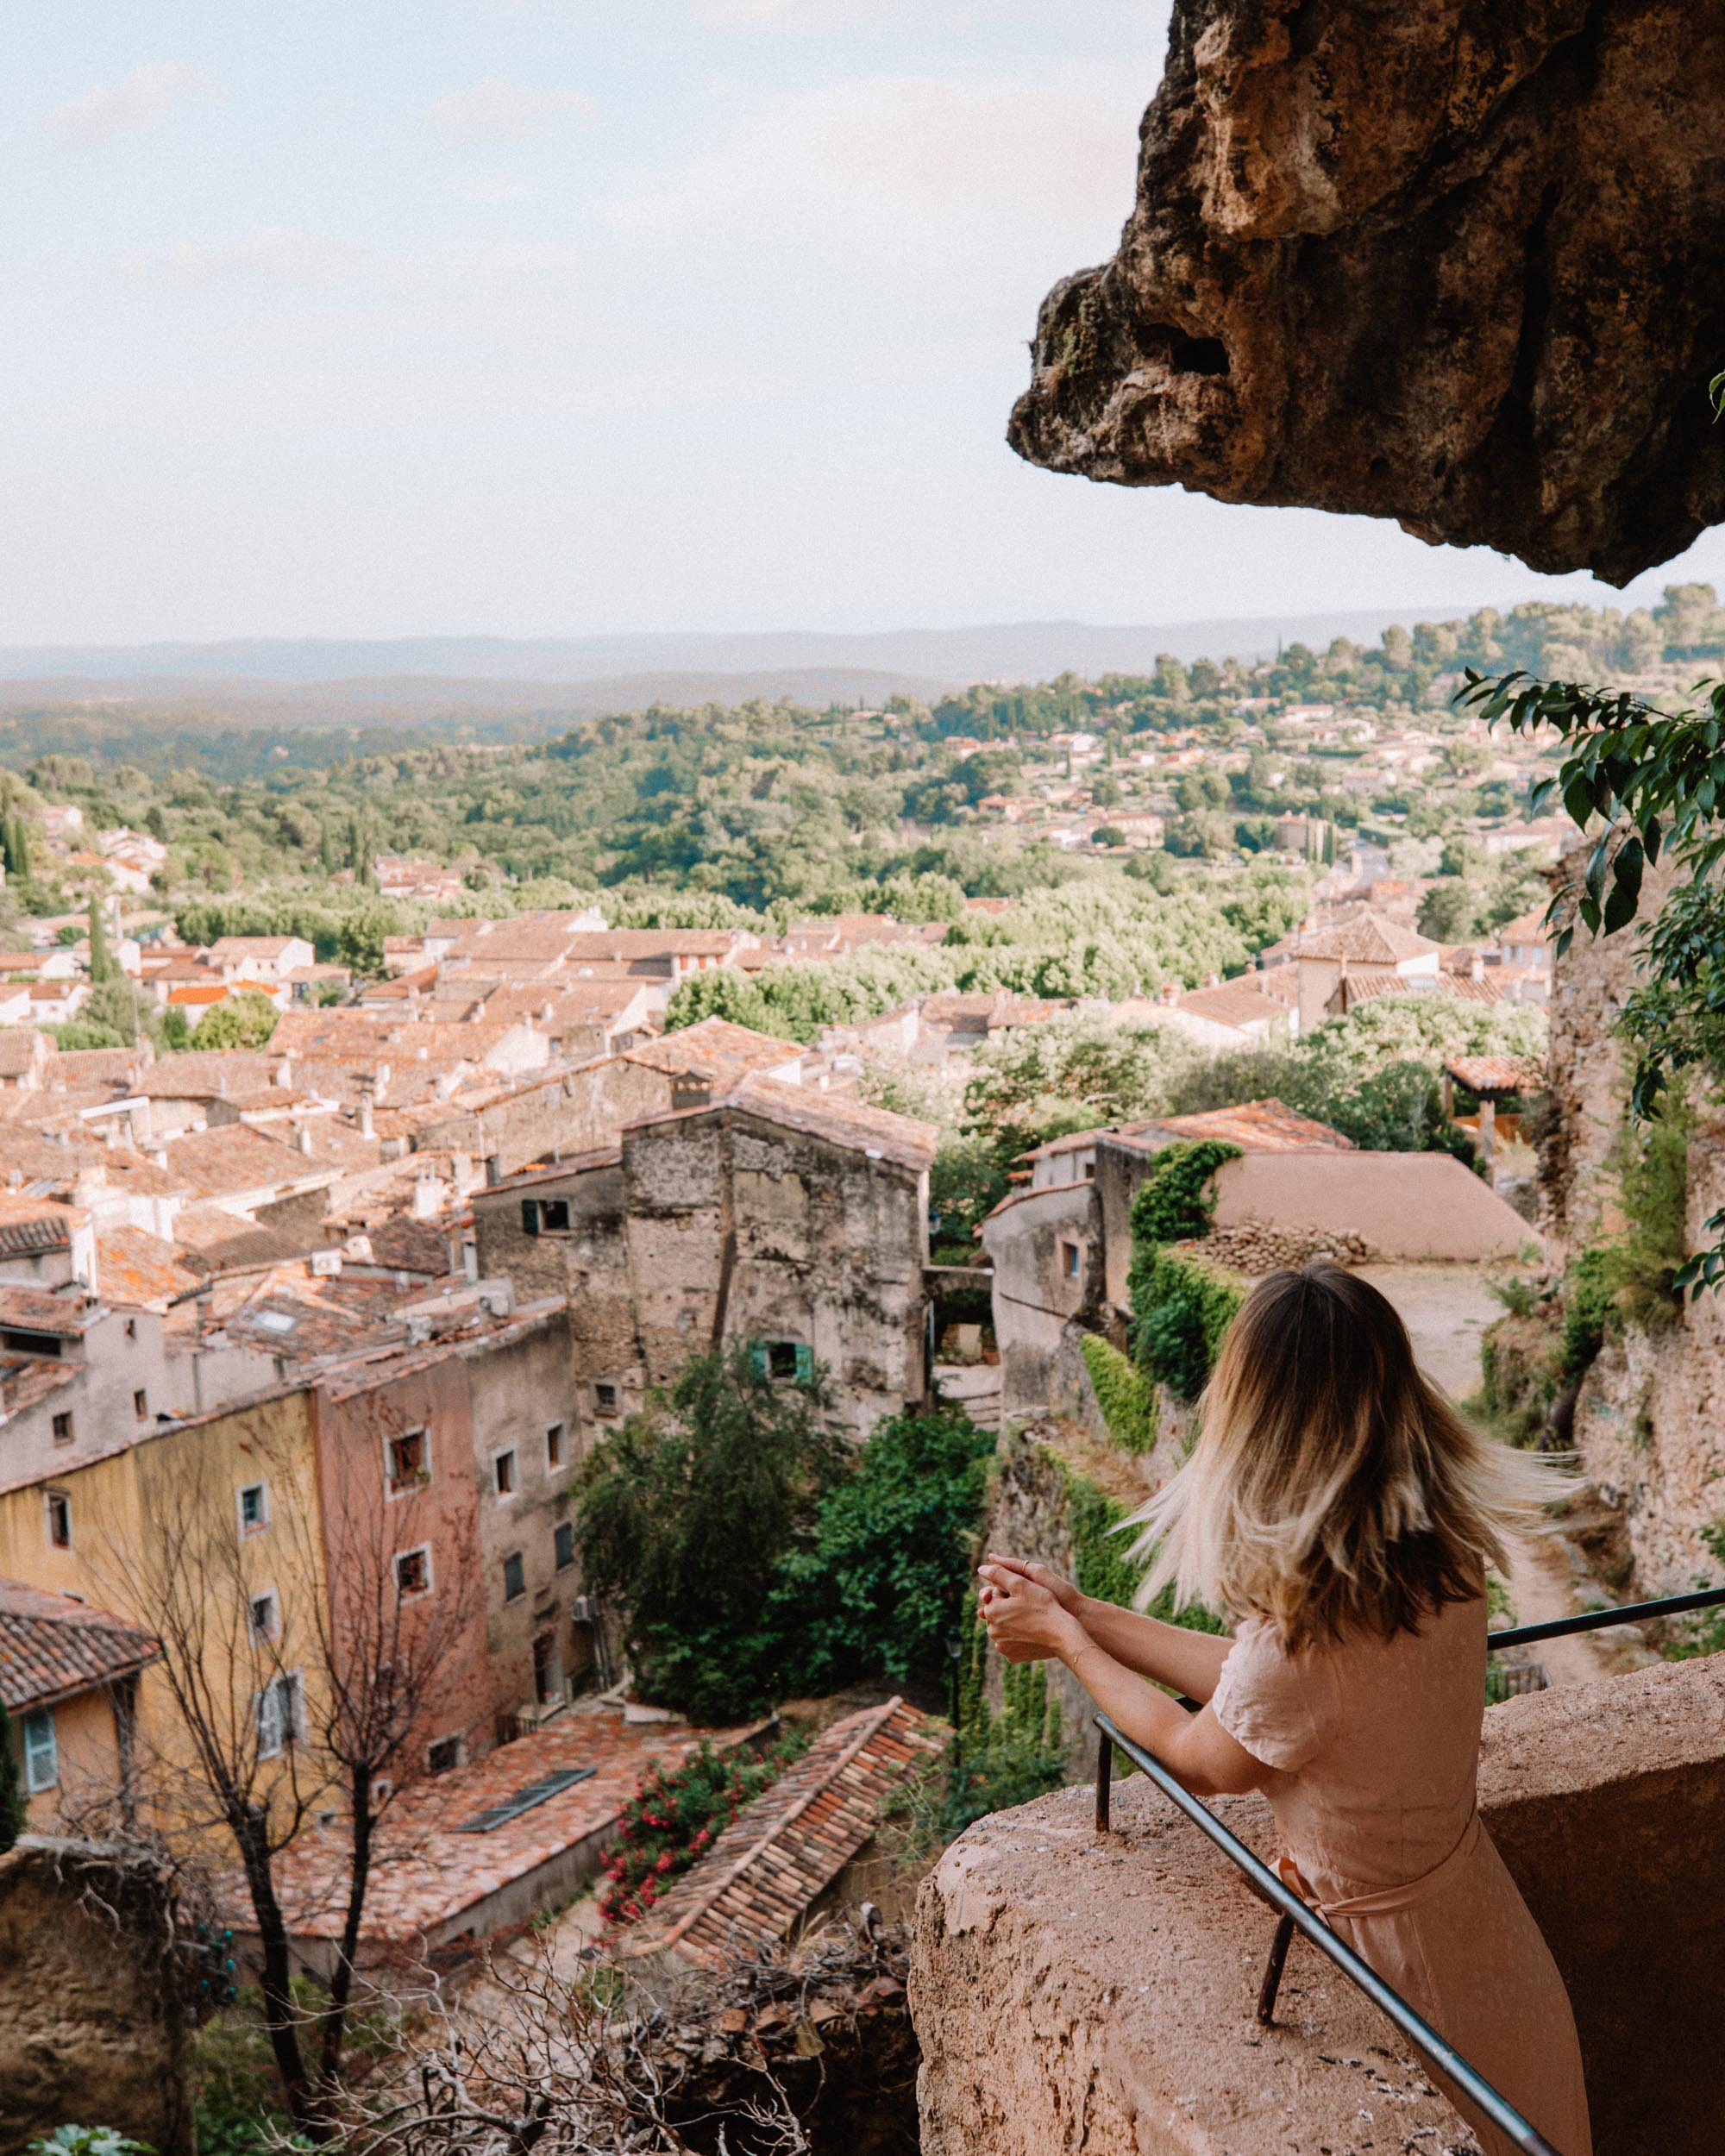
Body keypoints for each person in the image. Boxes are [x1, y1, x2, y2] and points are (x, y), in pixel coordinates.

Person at [977, 1263, 1591, 2156]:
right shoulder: (1433, 1559)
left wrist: (1067, 1647)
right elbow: (1261, 1691)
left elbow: (1203, 1753)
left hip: (1396, 1971)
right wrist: (1082, 1610)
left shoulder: (1304, 1641)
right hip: (1488, 1936)